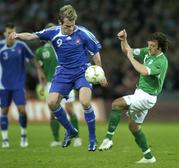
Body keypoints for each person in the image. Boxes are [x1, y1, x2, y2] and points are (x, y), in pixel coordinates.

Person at [10, 5, 107, 151]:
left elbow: (95, 53)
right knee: (51, 103)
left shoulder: (84, 33)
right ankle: (71, 130)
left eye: (73, 25)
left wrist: (100, 73)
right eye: (67, 26)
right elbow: (32, 36)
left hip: (82, 72)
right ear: (60, 22)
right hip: (63, 73)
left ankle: (92, 139)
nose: (71, 29)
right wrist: (17, 36)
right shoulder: (52, 32)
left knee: (85, 102)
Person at [99, 29, 168, 163]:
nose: (149, 48)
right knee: (134, 127)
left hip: (147, 97)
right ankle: (149, 157)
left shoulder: (161, 62)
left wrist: (131, 58)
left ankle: (108, 139)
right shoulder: (148, 52)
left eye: (153, 46)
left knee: (116, 104)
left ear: (160, 48)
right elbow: (128, 51)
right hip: (140, 93)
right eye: (149, 45)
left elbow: (142, 70)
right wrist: (124, 40)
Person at [35, 23, 82, 147]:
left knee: (70, 109)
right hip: (51, 83)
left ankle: (76, 137)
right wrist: (41, 84)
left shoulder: (65, 43)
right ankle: (56, 139)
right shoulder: (40, 51)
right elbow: (39, 69)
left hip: (67, 81)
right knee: (52, 113)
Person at [0, 23, 45, 148]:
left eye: (13, 32)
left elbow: (33, 59)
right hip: (3, 85)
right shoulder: (0, 47)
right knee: (4, 111)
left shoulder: (22, 46)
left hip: (18, 85)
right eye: (8, 32)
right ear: (5, 34)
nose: (11, 35)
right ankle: (4, 139)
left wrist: (39, 71)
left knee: (22, 110)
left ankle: (24, 136)